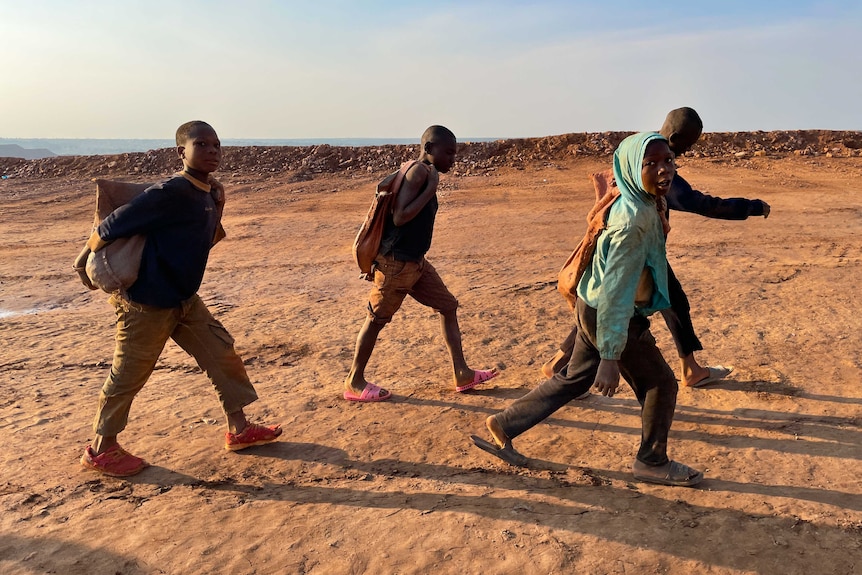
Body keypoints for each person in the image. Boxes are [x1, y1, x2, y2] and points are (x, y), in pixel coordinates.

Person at [473, 132, 703, 487]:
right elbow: (617, 290)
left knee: (575, 378)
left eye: (668, 160)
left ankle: (505, 423)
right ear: (631, 168)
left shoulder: (636, 201)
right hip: (613, 315)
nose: (663, 170)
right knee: (660, 384)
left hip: (591, 306)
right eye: (651, 163)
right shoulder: (633, 221)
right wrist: (610, 357)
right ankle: (652, 462)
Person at [79, 121, 282, 477]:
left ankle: (239, 429)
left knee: (222, 355)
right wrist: (85, 260)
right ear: (181, 151)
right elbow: (110, 226)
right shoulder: (169, 192)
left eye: (217, 145)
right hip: (146, 303)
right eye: (201, 144)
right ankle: (101, 449)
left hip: (185, 300)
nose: (212, 151)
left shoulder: (208, 192)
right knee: (128, 374)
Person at [542, 107, 771, 388]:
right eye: (689, 142)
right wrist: (751, 207)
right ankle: (689, 370)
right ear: (676, 136)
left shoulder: (640, 154)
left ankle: (558, 362)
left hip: (632, 248)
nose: (689, 149)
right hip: (637, 250)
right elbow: (704, 204)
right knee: (645, 305)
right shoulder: (661, 174)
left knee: (607, 305)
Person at [343, 125, 498, 402]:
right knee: (376, 320)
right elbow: (401, 216)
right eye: (448, 152)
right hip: (396, 264)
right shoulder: (420, 172)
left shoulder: (424, 172)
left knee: (448, 305)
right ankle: (354, 381)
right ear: (428, 149)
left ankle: (461, 373)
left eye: (455, 153)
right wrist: (432, 188)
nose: (453, 159)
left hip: (416, 264)